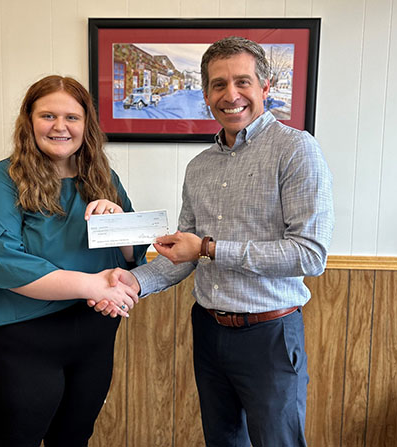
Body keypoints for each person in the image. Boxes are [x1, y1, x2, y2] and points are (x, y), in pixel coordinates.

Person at [93, 36, 334, 446]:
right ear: (205, 94)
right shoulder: (199, 167)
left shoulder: (296, 150)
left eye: (243, 81)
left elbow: (309, 254)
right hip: (208, 331)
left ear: (265, 87)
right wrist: (133, 282)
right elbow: (182, 254)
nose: (230, 94)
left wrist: (209, 248)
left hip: (270, 335)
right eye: (219, 84)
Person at [0, 75, 147, 447]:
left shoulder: (103, 178)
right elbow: (4, 261)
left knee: (74, 439)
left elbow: (131, 255)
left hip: (93, 334)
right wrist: (90, 284)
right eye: (48, 116)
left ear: (86, 125)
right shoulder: (0, 179)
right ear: (29, 121)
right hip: (22, 338)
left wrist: (118, 222)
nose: (60, 126)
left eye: (72, 117)